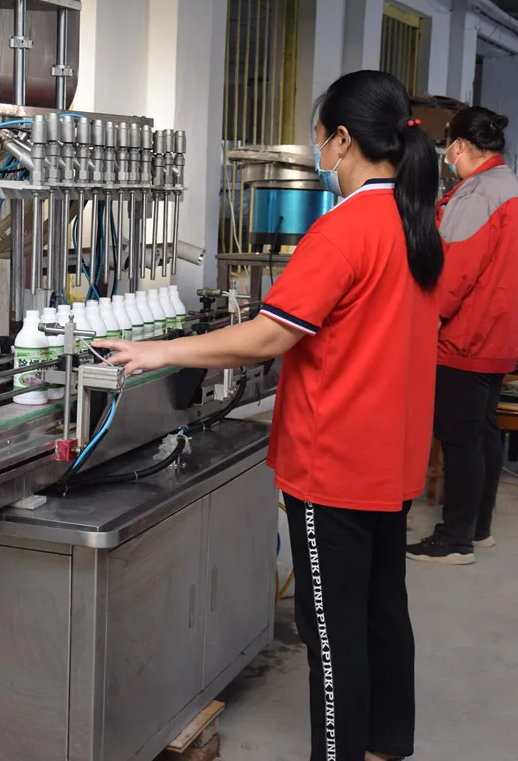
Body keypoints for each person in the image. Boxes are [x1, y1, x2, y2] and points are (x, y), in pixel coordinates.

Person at [96, 70, 443, 761]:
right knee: (382, 607)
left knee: (331, 631)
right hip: (391, 456)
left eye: (319, 137)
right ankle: (386, 744)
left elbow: (267, 337)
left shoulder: (342, 231)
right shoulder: (414, 225)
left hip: (333, 464)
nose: (319, 151)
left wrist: (159, 350)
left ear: (341, 140)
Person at [407, 107, 518, 565]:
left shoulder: (479, 194)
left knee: (459, 438)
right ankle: (479, 528)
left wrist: (428, 320)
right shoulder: (509, 184)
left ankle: (455, 540)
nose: (445, 154)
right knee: (483, 431)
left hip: (466, 337)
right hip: (499, 335)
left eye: (447, 145)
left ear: (461, 146)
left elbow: (455, 274)